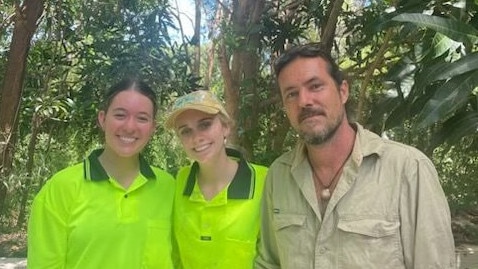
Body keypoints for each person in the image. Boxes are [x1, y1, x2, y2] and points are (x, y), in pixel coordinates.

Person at [254, 43, 456, 269]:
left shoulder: (408, 169)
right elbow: (269, 262)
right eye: (291, 94)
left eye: (315, 86)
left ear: (343, 92)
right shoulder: (279, 175)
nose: (304, 101)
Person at [27, 78, 175, 269]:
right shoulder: (60, 188)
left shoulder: (169, 187)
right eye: (120, 115)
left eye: (142, 118)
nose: (130, 127)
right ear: (102, 119)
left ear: (153, 128)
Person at [165, 90, 268, 269]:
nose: (196, 138)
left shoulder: (264, 181)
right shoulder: (181, 181)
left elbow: (275, 256)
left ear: (225, 127)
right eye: (185, 131)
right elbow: (175, 255)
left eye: (205, 125)